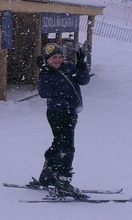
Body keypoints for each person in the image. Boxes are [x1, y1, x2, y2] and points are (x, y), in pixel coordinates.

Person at [28, 43, 90, 199]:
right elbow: (44, 92)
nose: (57, 60)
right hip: (57, 113)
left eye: (60, 56)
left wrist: (81, 64)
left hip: (71, 113)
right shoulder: (46, 73)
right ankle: (63, 182)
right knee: (67, 147)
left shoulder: (68, 67)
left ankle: (48, 175)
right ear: (47, 59)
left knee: (59, 144)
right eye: (54, 57)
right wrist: (47, 71)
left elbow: (83, 80)